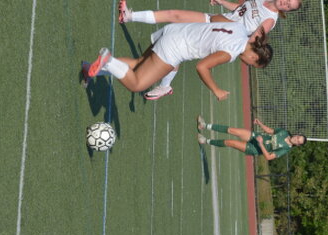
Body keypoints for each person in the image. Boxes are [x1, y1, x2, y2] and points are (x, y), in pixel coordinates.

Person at [117, 0, 302, 100]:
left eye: (289, 6)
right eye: (288, 0)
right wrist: (222, 2)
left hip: (224, 33)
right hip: (219, 22)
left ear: (287, 11)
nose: (285, 3)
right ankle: (129, 16)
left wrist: (228, 40)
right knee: (175, 18)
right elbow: (240, 9)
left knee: (179, 45)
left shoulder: (269, 20)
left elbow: (251, 43)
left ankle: (164, 85)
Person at [85, 23, 272, 102]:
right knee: (137, 84)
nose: (247, 64)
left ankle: (90, 69)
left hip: (175, 31)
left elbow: (212, 21)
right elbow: (202, 67)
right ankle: (108, 60)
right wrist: (216, 90)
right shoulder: (232, 52)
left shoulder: (240, 28)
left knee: (139, 63)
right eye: (252, 64)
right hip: (174, 48)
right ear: (255, 57)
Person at [197, 116, 306, 160]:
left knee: (229, 142)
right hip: (255, 136)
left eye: (298, 141)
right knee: (232, 130)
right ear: (297, 135)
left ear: (297, 145)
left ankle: (205, 141)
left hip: (255, 148)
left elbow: (268, 157)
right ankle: (204, 125)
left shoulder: (285, 149)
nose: (296, 139)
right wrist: (260, 123)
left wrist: (261, 144)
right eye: (298, 137)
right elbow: (270, 131)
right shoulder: (284, 132)